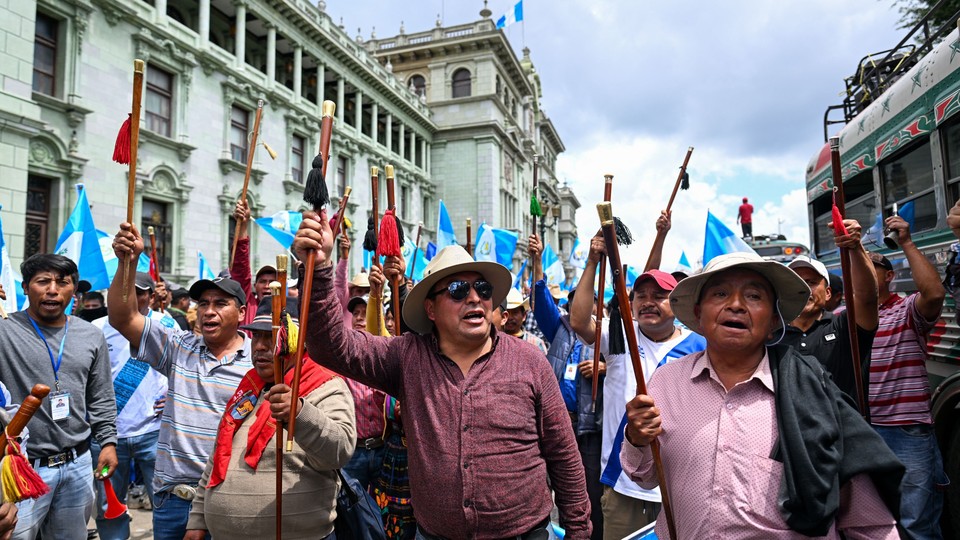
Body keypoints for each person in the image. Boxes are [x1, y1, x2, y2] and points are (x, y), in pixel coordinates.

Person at [293, 212, 592, 539]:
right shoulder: (406, 356)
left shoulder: (531, 361)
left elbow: (564, 456)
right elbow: (331, 346)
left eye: (482, 287)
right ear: (431, 310)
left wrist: (579, 532)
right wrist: (318, 269)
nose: (475, 297)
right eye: (458, 289)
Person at [622, 251, 903, 538]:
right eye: (720, 293)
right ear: (698, 314)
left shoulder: (812, 391)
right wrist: (637, 438)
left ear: (773, 322)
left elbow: (871, 524)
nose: (735, 305)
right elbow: (645, 476)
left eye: (754, 296)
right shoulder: (665, 382)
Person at [108, 223, 252, 540]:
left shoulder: (260, 363)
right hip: (173, 500)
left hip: (229, 497)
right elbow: (122, 318)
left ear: (241, 312)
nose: (209, 312)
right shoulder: (178, 347)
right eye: (203, 304)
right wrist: (127, 264)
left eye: (220, 303)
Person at [184, 295, 355, 539]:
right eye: (257, 336)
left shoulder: (326, 386)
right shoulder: (250, 387)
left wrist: (299, 413)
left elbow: (340, 451)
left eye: (272, 337)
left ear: (297, 340)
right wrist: (198, 518)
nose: (261, 346)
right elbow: (218, 457)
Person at [569, 234, 705, 540]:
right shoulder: (619, 338)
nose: (648, 302)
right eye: (640, 295)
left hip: (681, 487)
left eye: (660, 295)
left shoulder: (699, 346)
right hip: (623, 486)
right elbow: (579, 321)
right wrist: (593, 261)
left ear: (678, 303)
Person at [0, 254, 118, 540]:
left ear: (74, 290)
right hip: (22, 468)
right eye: (43, 281)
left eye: (62, 282)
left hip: (78, 464)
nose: (52, 289)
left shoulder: (91, 335)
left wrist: (108, 441)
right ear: (26, 287)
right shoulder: (4, 330)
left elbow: (101, 395)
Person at [869, 215, 949, 540]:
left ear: (889, 276)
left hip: (906, 431)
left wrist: (906, 243)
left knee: (916, 523)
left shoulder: (905, 310)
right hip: (864, 429)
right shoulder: (844, 318)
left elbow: (933, 296)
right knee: (875, 522)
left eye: (870, 265)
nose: (861, 268)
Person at [529, 235, 604, 540]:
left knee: (587, 495)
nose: (578, 309)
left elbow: (630, 366)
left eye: (584, 303)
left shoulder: (605, 335)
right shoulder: (557, 327)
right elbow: (540, 298)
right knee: (544, 490)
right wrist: (536, 261)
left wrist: (605, 367)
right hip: (554, 426)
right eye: (574, 303)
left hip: (588, 429)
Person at [90, 272, 172, 540]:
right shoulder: (97, 327)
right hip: (108, 436)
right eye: (127, 291)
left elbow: (185, 366)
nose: (133, 298)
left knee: (166, 502)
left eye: (140, 292)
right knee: (108, 505)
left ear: (150, 295)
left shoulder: (166, 323)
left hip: (155, 431)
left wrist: (172, 394)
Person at [783, 242, 877, 410]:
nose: (803, 289)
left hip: (843, 433)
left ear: (828, 293)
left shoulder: (844, 327)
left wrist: (855, 247)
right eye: (795, 283)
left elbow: (867, 297)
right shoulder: (772, 335)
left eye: (810, 282)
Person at [232, 199, 278, 327]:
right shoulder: (247, 305)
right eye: (262, 281)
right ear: (254, 286)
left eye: (272, 282)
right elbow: (241, 267)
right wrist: (243, 226)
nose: (268, 286)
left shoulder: (288, 313)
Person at [502, 287, 548, 355]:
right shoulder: (494, 341)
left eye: (515, 312)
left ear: (524, 316)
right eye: (507, 313)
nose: (510, 317)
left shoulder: (535, 344)